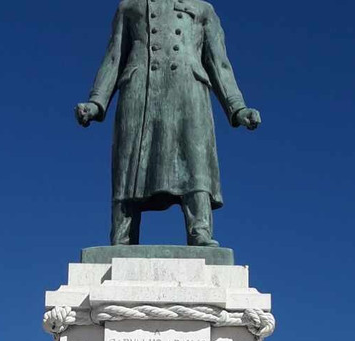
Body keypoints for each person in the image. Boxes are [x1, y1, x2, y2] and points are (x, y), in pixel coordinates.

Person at [75, 0, 261, 246]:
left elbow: (219, 62)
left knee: (194, 160)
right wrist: (96, 102)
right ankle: (122, 236)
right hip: (139, 89)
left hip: (188, 90)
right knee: (129, 163)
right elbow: (113, 57)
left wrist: (237, 107)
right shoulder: (129, 7)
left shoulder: (203, 8)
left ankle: (200, 231)